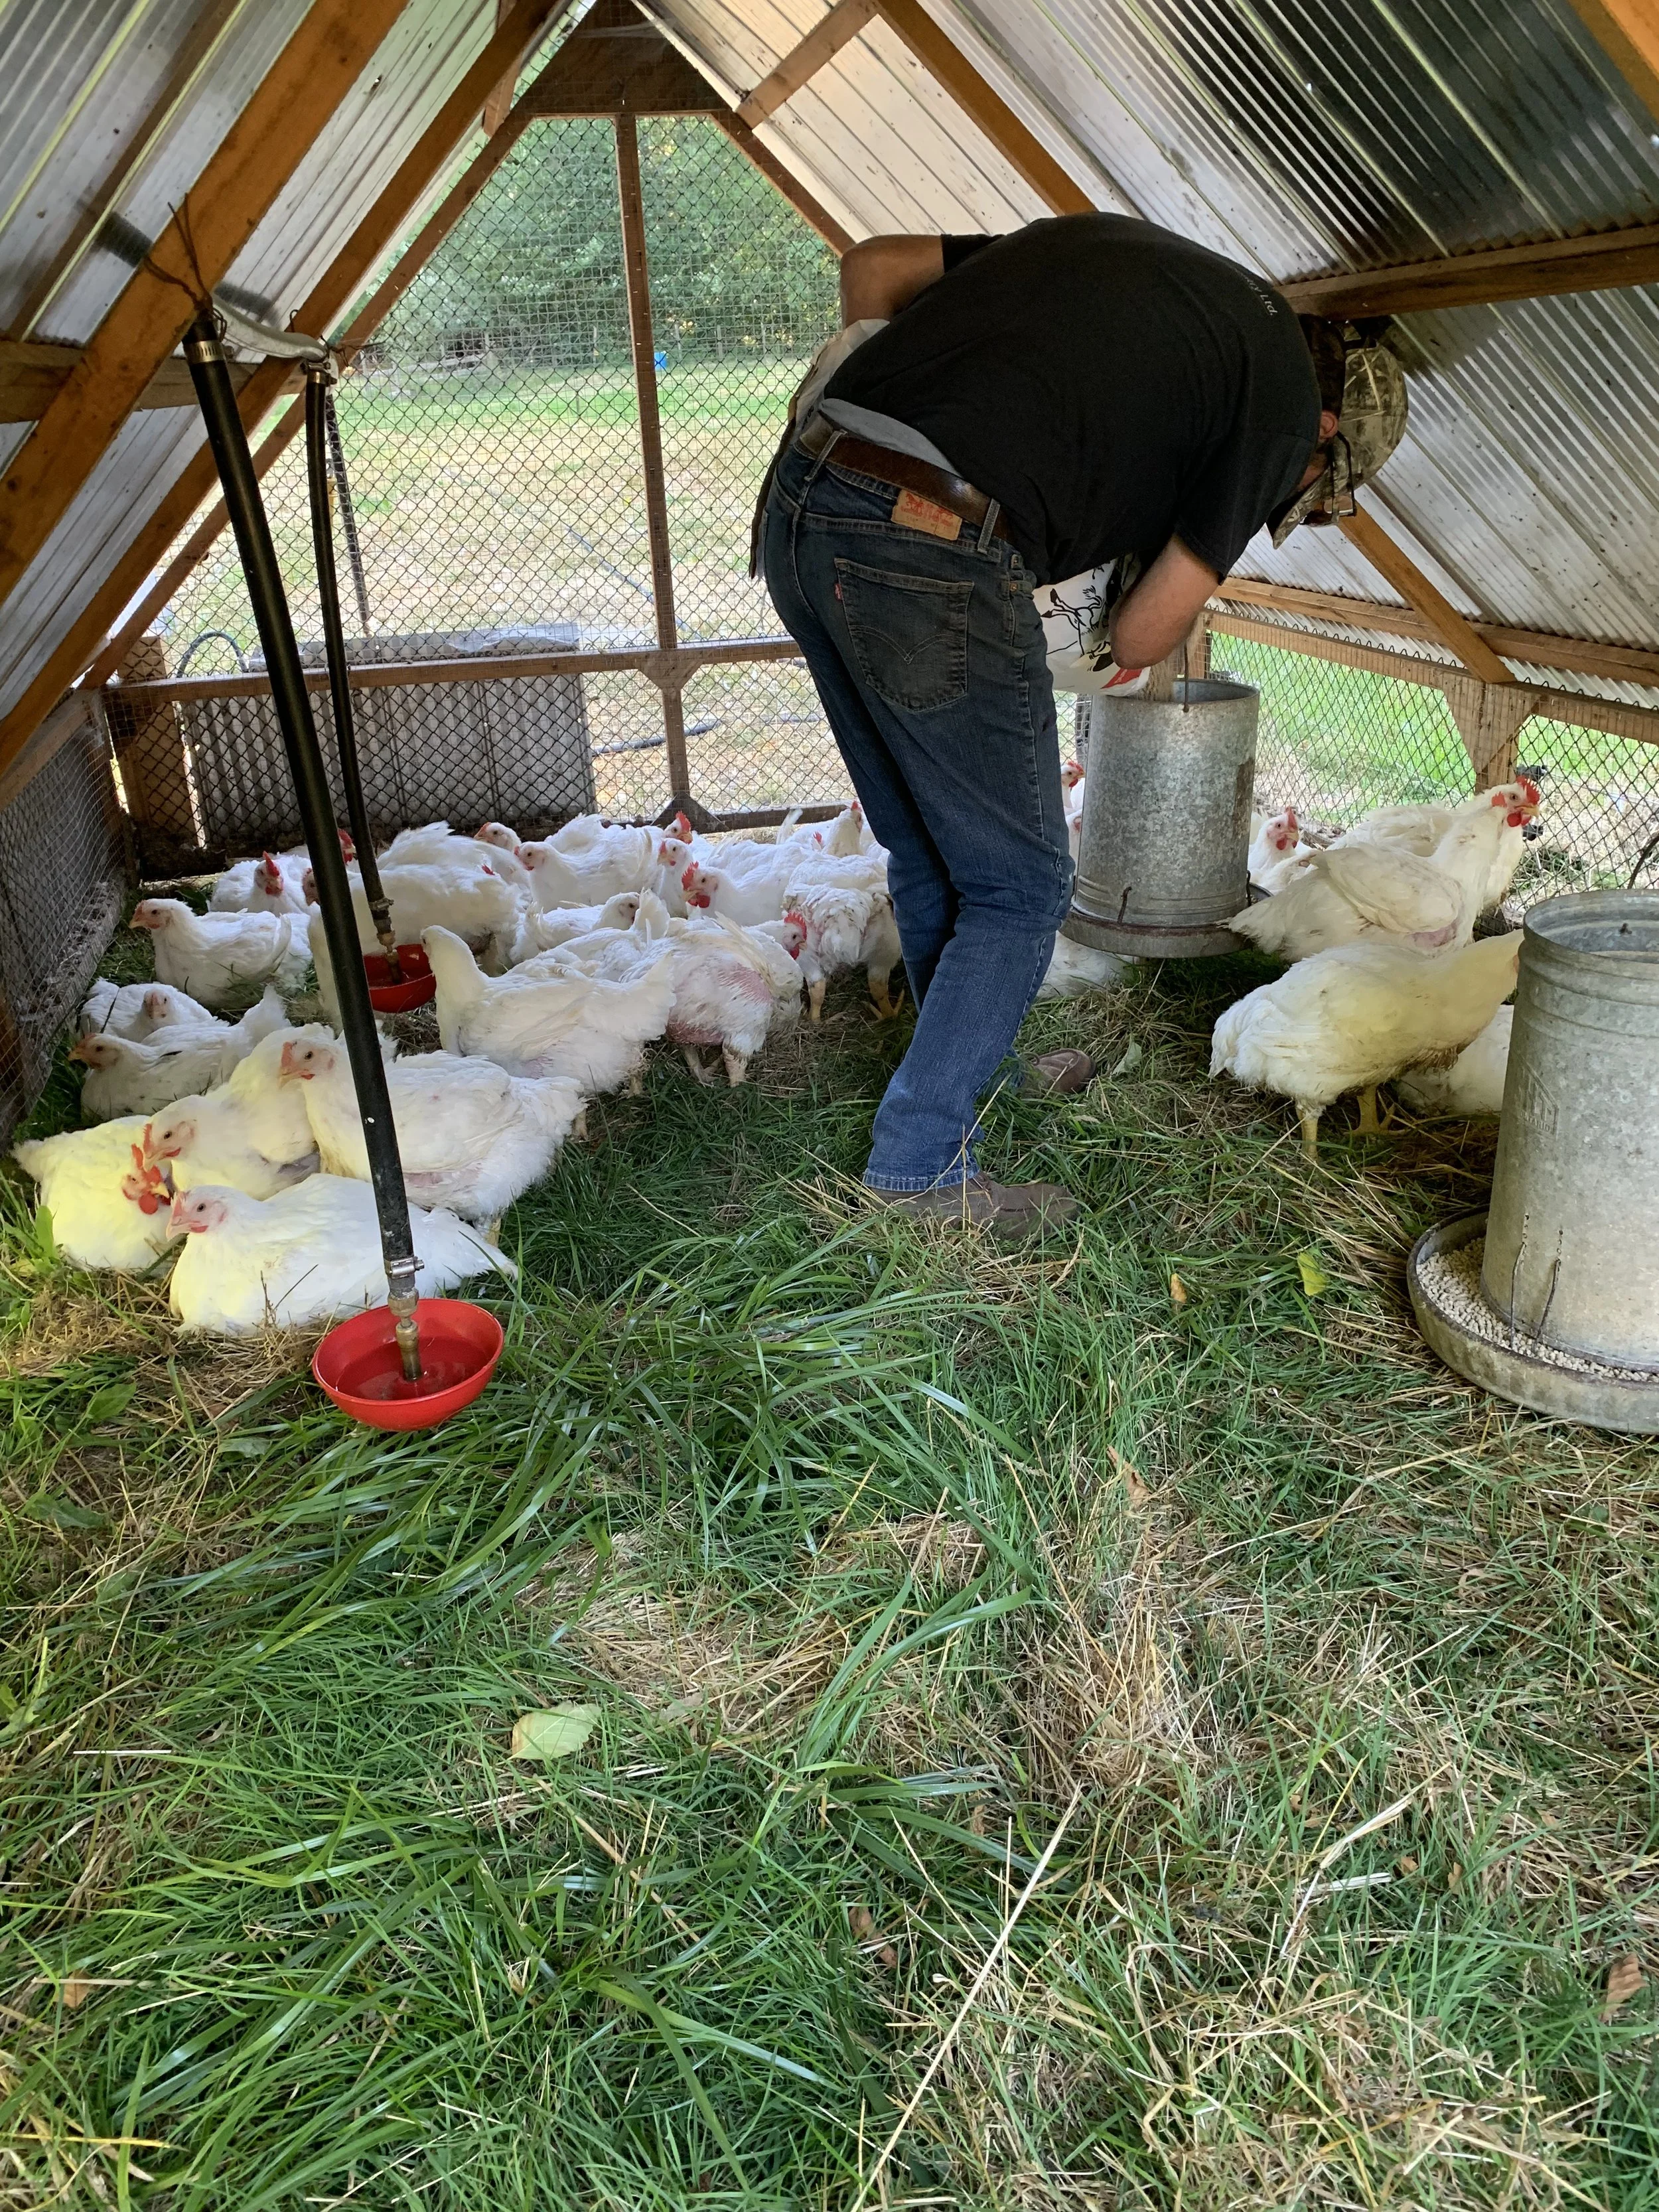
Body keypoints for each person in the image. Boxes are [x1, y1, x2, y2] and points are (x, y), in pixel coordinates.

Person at [757, 212, 1406, 1240]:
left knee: (932, 848)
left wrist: (892, 452)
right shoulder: (1279, 406)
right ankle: (918, 1172)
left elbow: (873, 267)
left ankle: (975, 1070)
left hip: (801, 499)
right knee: (1024, 885)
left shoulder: (1132, 257)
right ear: (1325, 433)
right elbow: (1145, 631)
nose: (1286, 493)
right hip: (930, 542)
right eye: (1304, 493)